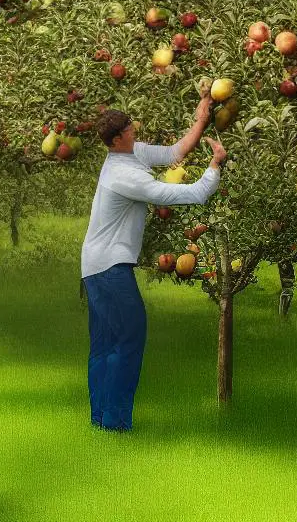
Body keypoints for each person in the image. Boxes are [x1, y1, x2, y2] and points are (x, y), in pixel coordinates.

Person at [81, 97, 225, 431]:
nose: (135, 130)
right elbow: (180, 195)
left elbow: (174, 153)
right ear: (116, 140)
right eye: (129, 129)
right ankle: (116, 423)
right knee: (129, 339)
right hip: (110, 266)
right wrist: (214, 168)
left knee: (104, 343)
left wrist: (201, 120)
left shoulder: (130, 153)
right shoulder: (123, 176)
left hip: (95, 263)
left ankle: (101, 419)